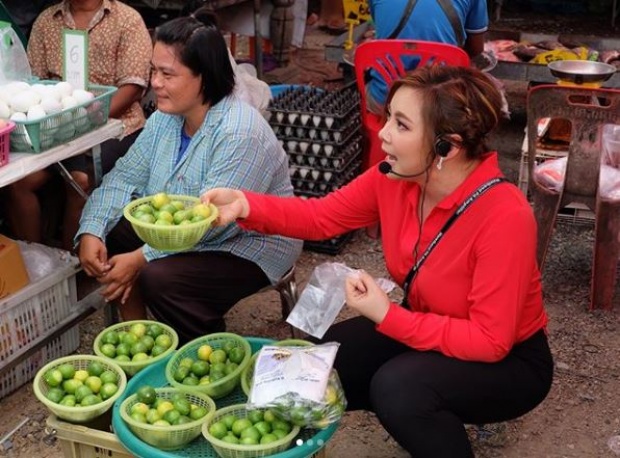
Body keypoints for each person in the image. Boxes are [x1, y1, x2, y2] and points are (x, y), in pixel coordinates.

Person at [203, 65, 553, 457]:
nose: (383, 133)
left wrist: (388, 316)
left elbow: (490, 341)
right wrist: (247, 204)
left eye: (401, 125)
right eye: (389, 118)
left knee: (399, 389)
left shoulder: (504, 215)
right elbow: (322, 217)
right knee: (318, 364)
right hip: (431, 325)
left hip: (509, 361)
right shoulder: (395, 177)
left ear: (446, 147)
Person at [76, 14, 302, 344]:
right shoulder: (165, 120)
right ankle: (139, 342)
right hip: (188, 231)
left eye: (168, 74)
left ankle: (202, 355)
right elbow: (124, 177)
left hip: (249, 243)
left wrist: (140, 260)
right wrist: (92, 228)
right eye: (154, 70)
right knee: (114, 227)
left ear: (204, 78)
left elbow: (213, 223)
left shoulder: (239, 132)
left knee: (160, 279)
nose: (154, 82)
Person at [4, 0, 152, 251]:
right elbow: (36, 82)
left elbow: (133, 86)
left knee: (80, 179)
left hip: (117, 126)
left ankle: (72, 260)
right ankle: (37, 259)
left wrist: (89, 118)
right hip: (56, 131)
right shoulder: (46, 21)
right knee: (18, 183)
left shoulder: (127, 20)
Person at [364, 0, 488, 114]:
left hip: (385, 100)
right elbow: (475, 49)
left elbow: (382, 26)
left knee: (366, 87)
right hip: (441, 105)